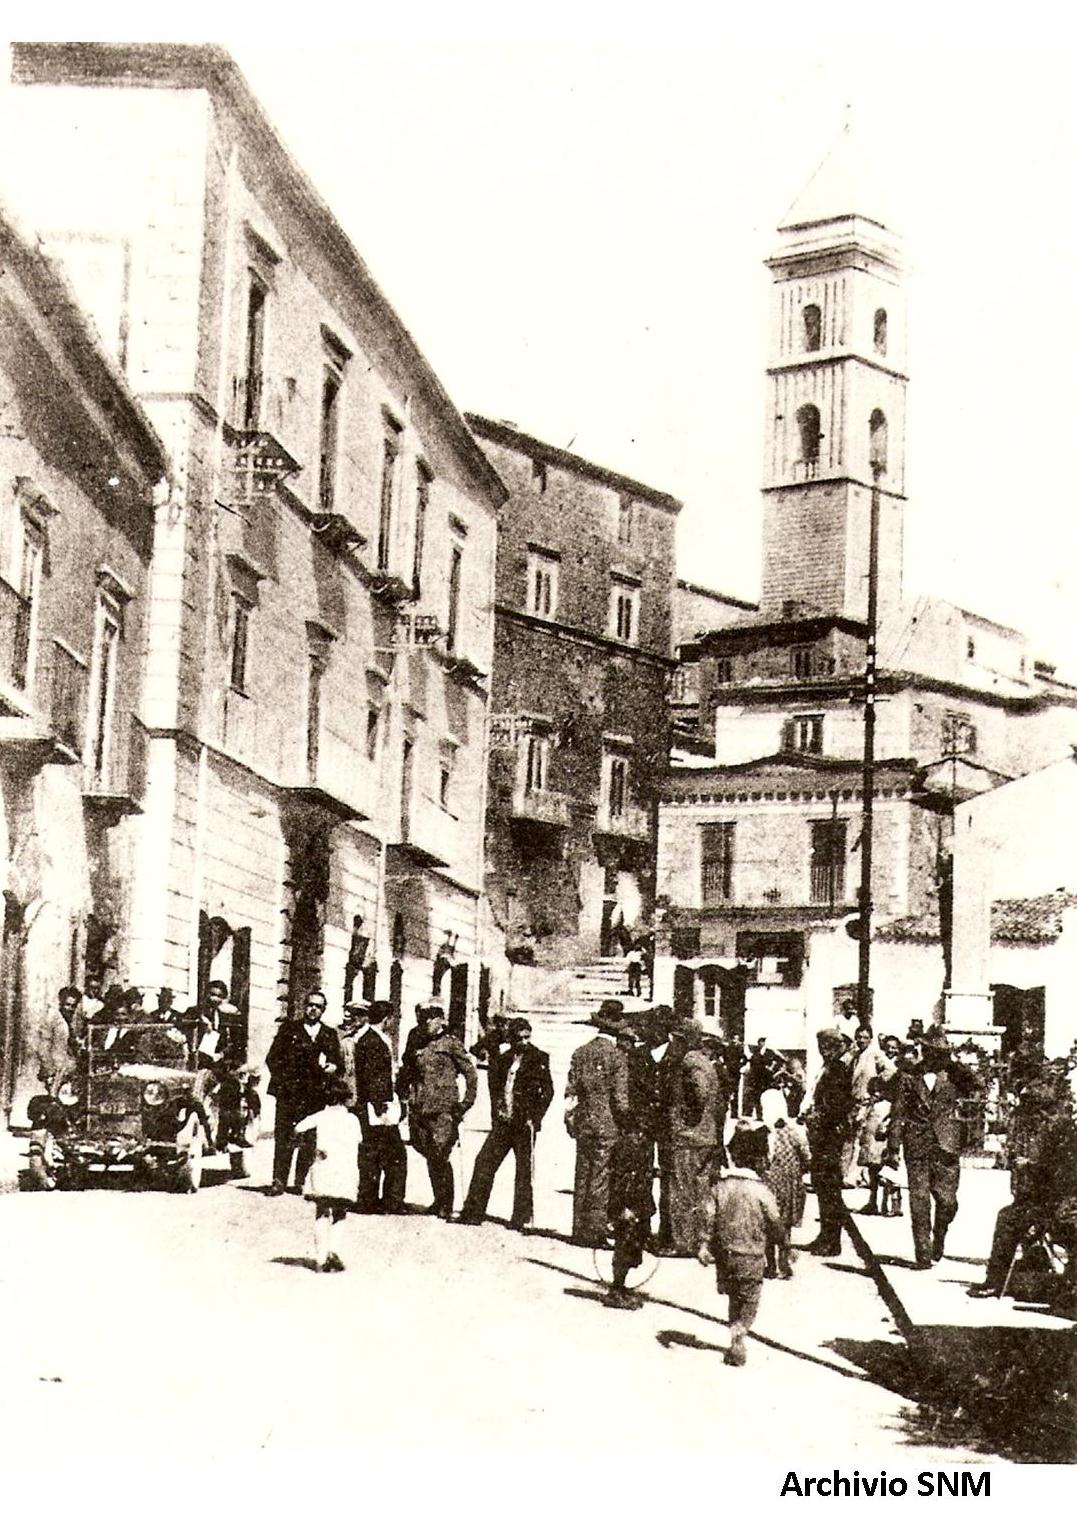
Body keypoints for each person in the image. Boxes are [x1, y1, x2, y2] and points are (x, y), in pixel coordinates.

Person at [969, 1068, 1077, 1308]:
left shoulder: (1063, 1131)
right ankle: (999, 1279)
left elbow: (1061, 1173)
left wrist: (1030, 1166)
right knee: (1009, 1215)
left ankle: (995, 1282)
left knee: (1008, 1219)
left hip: (1060, 1204)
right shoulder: (1058, 1128)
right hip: (1051, 1201)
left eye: (1042, 1111)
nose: (1041, 1117)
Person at [698, 1123, 790, 1367]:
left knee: (733, 1297)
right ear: (760, 1160)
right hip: (752, 1256)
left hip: (725, 1255)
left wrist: (704, 1245)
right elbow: (776, 1223)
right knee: (750, 1299)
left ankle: (734, 1332)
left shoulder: (720, 1187)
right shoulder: (762, 1191)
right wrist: (785, 1247)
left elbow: (709, 1217)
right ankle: (740, 1334)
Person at [885, 1025, 976, 1268]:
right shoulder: (908, 1076)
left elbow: (976, 1084)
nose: (935, 1056)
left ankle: (940, 1234)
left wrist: (954, 1062)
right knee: (919, 1199)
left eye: (940, 1052)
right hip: (916, 1143)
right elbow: (898, 1111)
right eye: (931, 1051)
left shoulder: (953, 1076)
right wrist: (893, 1146)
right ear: (924, 1050)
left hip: (946, 1144)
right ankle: (923, 1254)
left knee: (947, 1202)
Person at [461, 1018, 553, 1229]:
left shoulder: (539, 1058)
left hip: (524, 1124)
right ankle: (473, 1212)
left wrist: (535, 1117)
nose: (523, 1042)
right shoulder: (503, 1059)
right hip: (504, 1122)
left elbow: (548, 1091)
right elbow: (495, 1088)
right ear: (511, 1038)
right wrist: (497, 1113)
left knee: (523, 1171)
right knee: (484, 1163)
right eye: (519, 1038)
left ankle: (520, 1218)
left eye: (527, 1037)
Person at [397, 1002, 476, 1218]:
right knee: (426, 1150)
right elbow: (407, 1069)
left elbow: (471, 1074)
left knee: (441, 1153)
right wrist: (403, 1095)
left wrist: (466, 1103)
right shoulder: (416, 1039)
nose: (426, 1022)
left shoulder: (452, 1044)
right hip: (420, 1106)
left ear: (440, 1019)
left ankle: (446, 1203)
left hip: (444, 1109)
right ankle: (438, 1198)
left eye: (431, 1018)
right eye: (423, 1018)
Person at [564, 999, 631, 1247]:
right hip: (607, 1124)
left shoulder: (580, 1053)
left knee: (582, 1172)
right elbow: (620, 1100)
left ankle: (578, 1229)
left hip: (584, 1121)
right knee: (600, 1177)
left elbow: (570, 1092)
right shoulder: (617, 1057)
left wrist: (570, 1119)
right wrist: (627, 1122)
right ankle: (594, 1232)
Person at [265, 991, 343, 1196]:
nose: (313, 1009)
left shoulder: (329, 1034)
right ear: (304, 1006)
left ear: (323, 1010)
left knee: (309, 1138)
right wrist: (284, 1081)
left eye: (318, 1006)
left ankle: (300, 1181)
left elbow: (337, 1062)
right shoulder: (289, 1028)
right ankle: (278, 1180)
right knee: (284, 1137)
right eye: (310, 1005)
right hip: (289, 1093)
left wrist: (331, 1068)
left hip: (314, 1095)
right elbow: (272, 1058)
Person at [605, 1020, 658, 1308]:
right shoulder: (631, 1144)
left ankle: (620, 1288)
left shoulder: (633, 1143)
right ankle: (617, 1291)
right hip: (628, 1207)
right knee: (625, 1246)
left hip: (632, 1205)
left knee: (629, 1246)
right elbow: (626, 1178)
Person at [659, 1017, 722, 1256]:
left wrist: (684, 1113)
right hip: (704, 1136)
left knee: (682, 1191)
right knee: (700, 1191)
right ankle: (700, 1240)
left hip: (689, 1137)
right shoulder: (704, 1060)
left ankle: (683, 1243)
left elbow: (700, 1092)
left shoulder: (689, 1061)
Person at [295, 1076, 362, 1273]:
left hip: (323, 1168)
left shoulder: (319, 1116)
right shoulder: (352, 1120)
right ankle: (334, 1249)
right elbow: (358, 1140)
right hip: (345, 1171)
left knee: (321, 1212)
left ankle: (320, 1258)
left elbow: (298, 1128)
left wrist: (312, 1147)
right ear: (346, 1099)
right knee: (340, 1213)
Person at [354, 1000, 407, 1215]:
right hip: (378, 1107)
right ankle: (390, 1202)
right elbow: (372, 1076)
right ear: (387, 1019)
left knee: (372, 1154)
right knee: (395, 1156)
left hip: (374, 1105)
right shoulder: (374, 1041)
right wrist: (381, 1105)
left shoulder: (368, 1038)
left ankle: (369, 1200)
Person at [804, 1027, 854, 1257]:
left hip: (830, 1136)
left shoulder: (838, 1070)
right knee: (823, 1186)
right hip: (824, 1134)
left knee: (829, 1187)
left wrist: (819, 1116)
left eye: (824, 1047)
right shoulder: (831, 1067)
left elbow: (838, 1105)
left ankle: (831, 1240)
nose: (822, 1051)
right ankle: (825, 1235)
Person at [764, 1113, 810, 1277]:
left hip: (770, 1183)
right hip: (791, 1183)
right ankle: (783, 1264)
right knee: (786, 1224)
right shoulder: (794, 1131)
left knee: (769, 1224)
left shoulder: (766, 1132)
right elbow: (806, 1155)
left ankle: (770, 1265)